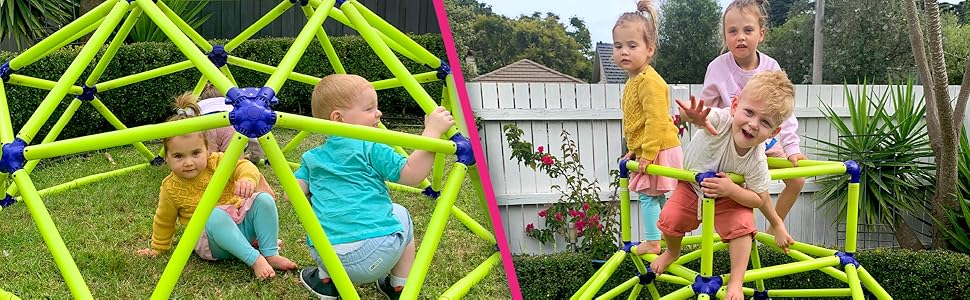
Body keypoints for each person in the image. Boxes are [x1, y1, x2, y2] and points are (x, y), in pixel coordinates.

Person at [294, 74, 454, 299]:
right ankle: (398, 286)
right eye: (369, 109)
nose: (378, 113)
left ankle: (326, 282)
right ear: (338, 118)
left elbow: (293, 195)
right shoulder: (370, 146)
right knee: (402, 214)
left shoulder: (311, 158)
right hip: (373, 257)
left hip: (326, 257)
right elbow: (413, 174)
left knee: (324, 220)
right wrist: (432, 133)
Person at [651, 71, 796, 300]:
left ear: (774, 132)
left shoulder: (757, 159)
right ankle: (672, 252)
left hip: (729, 196)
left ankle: (736, 282)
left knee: (743, 229)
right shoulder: (722, 120)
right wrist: (693, 117)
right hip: (692, 187)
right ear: (735, 106)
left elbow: (759, 198)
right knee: (670, 219)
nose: (753, 124)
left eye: (765, 122)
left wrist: (732, 191)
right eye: (749, 112)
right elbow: (705, 119)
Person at [136, 92, 296, 279]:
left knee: (263, 200)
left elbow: (243, 165)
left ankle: (270, 253)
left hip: (240, 226)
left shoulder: (218, 161)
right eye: (179, 156)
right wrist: (158, 248)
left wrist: (247, 178)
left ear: (208, 150)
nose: (188, 162)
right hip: (212, 242)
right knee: (213, 214)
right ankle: (255, 259)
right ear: (166, 159)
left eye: (195, 153)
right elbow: (164, 220)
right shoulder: (170, 187)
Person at [700, 0, 807, 224]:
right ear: (725, 35)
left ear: (761, 33)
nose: (741, 36)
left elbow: (784, 113)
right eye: (733, 31)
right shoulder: (717, 68)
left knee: (797, 180)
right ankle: (766, 228)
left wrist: (792, 148)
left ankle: (774, 227)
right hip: (731, 144)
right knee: (746, 186)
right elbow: (706, 110)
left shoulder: (771, 66)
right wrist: (700, 120)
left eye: (748, 30)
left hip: (763, 142)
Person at [612, 0, 684, 256]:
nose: (624, 52)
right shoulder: (633, 81)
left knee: (648, 195)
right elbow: (635, 122)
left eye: (632, 46)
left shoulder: (649, 81)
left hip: (660, 147)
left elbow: (655, 120)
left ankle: (655, 242)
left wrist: (647, 153)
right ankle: (665, 241)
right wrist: (633, 150)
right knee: (659, 196)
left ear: (649, 49)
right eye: (618, 46)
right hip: (654, 147)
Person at [197, 83, 267, 164]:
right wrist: (255, 157)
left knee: (207, 158)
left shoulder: (200, 106)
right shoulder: (236, 107)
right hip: (231, 126)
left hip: (206, 125)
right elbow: (254, 140)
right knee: (235, 162)